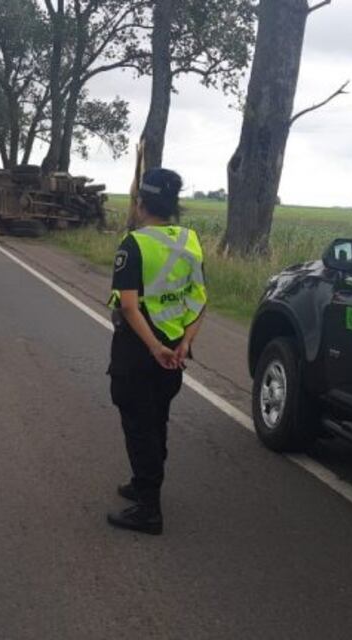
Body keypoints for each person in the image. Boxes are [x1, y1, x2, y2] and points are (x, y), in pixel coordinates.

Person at [105, 168, 207, 536]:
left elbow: (130, 307)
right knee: (156, 421)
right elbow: (199, 299)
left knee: (137, 425)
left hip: (139, 351)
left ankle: (148, 509)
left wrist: (154, 348)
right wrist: (184, 344)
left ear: (141, 203)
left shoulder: (134, 244)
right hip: (173, 355)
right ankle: (142, 483)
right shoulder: (190, 240)